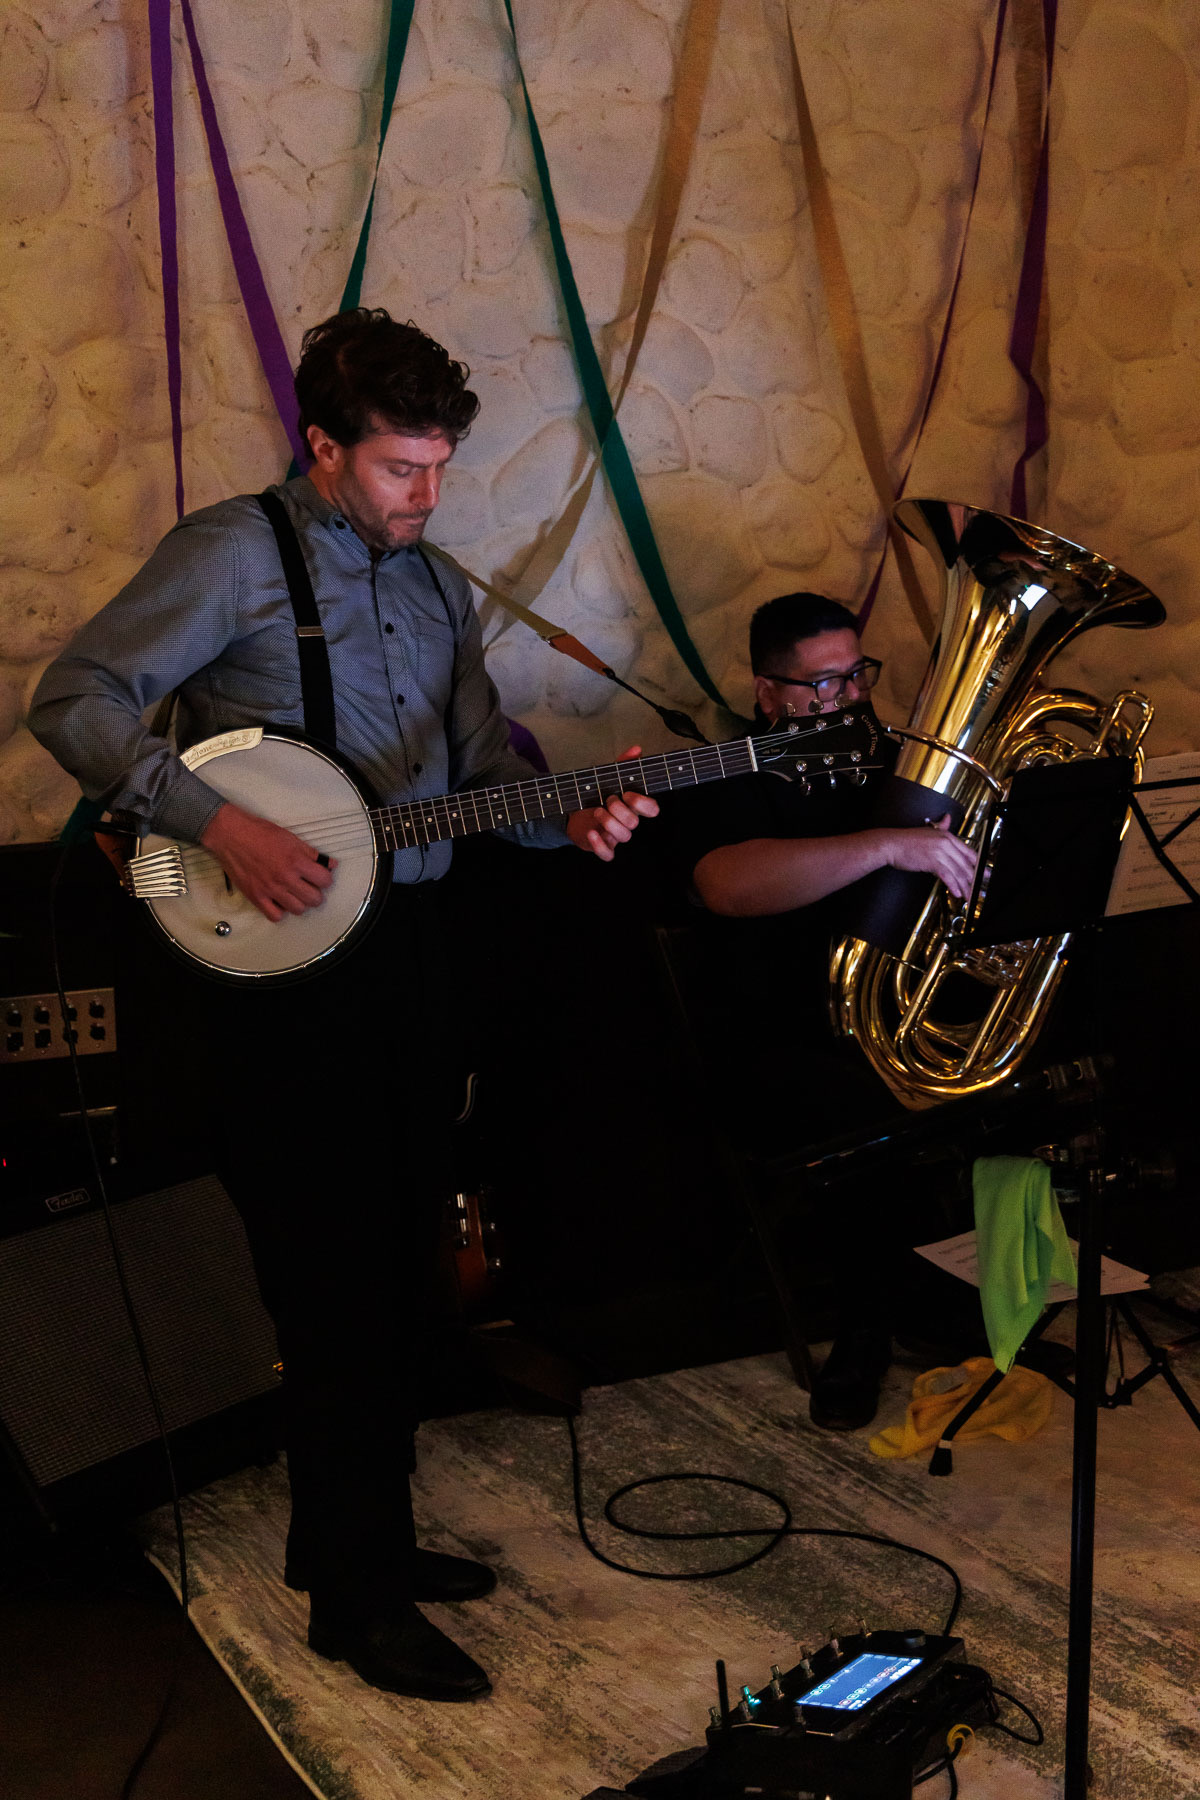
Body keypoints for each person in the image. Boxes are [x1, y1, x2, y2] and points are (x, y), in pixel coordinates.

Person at [27, 308, 658, 1704]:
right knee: (334, 1278)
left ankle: (352, 1545)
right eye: (398, 470)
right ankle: (355, 1603)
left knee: (404, 1268)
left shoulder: (434, 590)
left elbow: (488, 775)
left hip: (420, 949)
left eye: (438, 470)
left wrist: (579, 823)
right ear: (324, 445)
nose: (424, 498)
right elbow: (74, 698)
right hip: (285, 967)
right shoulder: (230, 553)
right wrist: (214, 821)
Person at [665, 592, 978, 1431]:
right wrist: (885, 844)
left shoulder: (894, 761)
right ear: (767, 693)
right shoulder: (726, 771)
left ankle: (976, 1297)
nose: (846, 698)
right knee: (864, 1107)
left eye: (856, 675)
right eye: (821, 684)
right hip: (777, 1038)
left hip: (897, 1008)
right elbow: (726, 883)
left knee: (1018, 1077)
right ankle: (867, 1332)